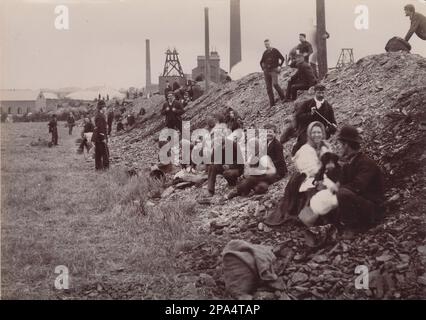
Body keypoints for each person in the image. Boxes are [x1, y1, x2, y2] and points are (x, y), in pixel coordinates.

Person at [265, 121, 331, 226]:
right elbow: (305, 167)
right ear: (309, 134)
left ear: (323, 133)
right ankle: (305, 215)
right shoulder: (305, 148)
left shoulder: (326, 147)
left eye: (319, 132)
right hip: (309, 176)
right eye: (313, 133)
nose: (316, 135)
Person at [332, 126, 385, 230]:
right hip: (359, 203)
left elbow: (357, 186)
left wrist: (338, 188)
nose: (339, 148)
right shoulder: (349, 163)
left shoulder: (366, 163)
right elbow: (342, 182)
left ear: (346, 145)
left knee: (342, 193)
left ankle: (351, 229)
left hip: (372, 208)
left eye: (340, 145)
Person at [226, 124, 288, 199]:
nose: (268, 134)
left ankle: (237, 191)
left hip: (277, 171)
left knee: (252, 178)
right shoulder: (266, 143)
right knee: (255, 179)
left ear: (275, 133)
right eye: (267, 132)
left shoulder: (277, 144)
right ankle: (247, 189)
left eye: (271, 132)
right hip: (268, 169)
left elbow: (280, 160)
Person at [290, 84, 337, 155]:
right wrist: (310, 114)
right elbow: (298, 117)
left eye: (323, 93)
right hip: (306, 130)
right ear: (315, 92)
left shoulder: (328, 107)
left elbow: (333, 122)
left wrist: (332, 127)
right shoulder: (307, 103)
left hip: (320, 132)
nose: (321, 95)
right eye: (319, 93)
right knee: (305, 147)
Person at [201, 124, 245, 199]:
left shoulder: (234, 144)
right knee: (212, 166)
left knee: (227, 173)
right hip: (224, 167)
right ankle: (210, 190)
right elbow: (212, 160)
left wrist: (229, 166)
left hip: (236, 168)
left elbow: (240, 162)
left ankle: (233, 183)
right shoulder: (217, 146)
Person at [260, 39, 286, 107]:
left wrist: (279, 66)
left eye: (267, 44)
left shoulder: (275, 50)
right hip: (266, 72)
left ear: (270, 43)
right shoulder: (265, 52)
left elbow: (282, 58)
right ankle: (272, 104)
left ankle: (283, 98)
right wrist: (263, 69)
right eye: (265, 44)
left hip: (274, 70)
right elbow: (261, 62)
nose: (266, 46)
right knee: (268, 88)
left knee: (275, 84)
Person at [91, 100, 109, 170]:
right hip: (101, 137)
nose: (106, 108)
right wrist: (103, 138)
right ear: (102, 108)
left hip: (97, 138)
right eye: (105, 107)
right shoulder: (101, 116)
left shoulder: (99, 115)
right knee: (105, 152)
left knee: (98, 153)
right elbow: (100, 128)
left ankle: (98, 168)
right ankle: (106, 167)